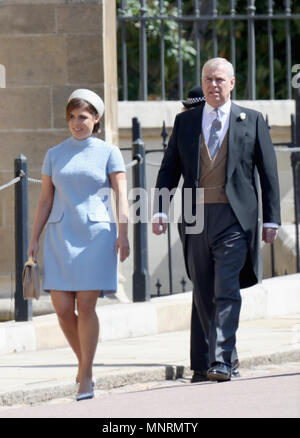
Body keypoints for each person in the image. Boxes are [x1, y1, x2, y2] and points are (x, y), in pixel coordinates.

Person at [152, 58, 281, 383]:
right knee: (204, 289)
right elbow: (169, 168)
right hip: (195, 217)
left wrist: (272, 220)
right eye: (208, 79)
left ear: (232, 83)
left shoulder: (250, 120)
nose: (213, 85)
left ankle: (220, 361)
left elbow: (268, 173)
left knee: (226, 288)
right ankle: (225, 356)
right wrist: (159, 209)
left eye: (220, 79)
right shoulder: (186, 122)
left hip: (235, 218)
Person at [27, 89, 130, 401]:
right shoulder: (54, 154)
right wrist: (34, 239)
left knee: (85, 306)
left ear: (95, 118)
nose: (76, 122)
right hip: (60, 237)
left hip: (96, 237)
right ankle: (85, 364)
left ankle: (85, 376)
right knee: (61, 310)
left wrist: (123, 234)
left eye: (83, 117)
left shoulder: (109, 152)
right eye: (72, 117)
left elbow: (122, 195)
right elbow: (45, 199)